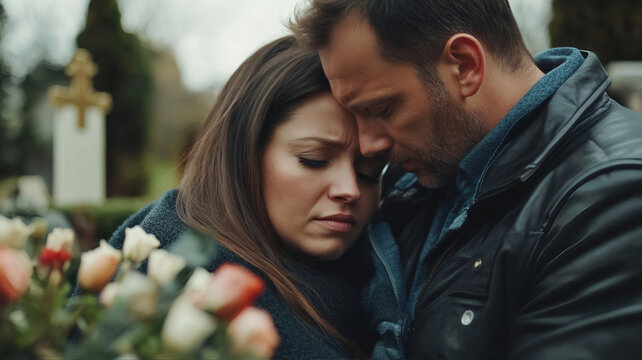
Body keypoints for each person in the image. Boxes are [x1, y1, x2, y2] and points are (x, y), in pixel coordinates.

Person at [290, 1, 642, 359]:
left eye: (382, 110)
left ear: (464, 65)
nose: (369, 146)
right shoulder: (419, 178)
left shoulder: (615, 196)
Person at [107, 36, 385, 358]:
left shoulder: (386, 274)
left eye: (369, 171)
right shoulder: (174, 273)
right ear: (245, 156)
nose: (350, 189)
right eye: (314, 159)